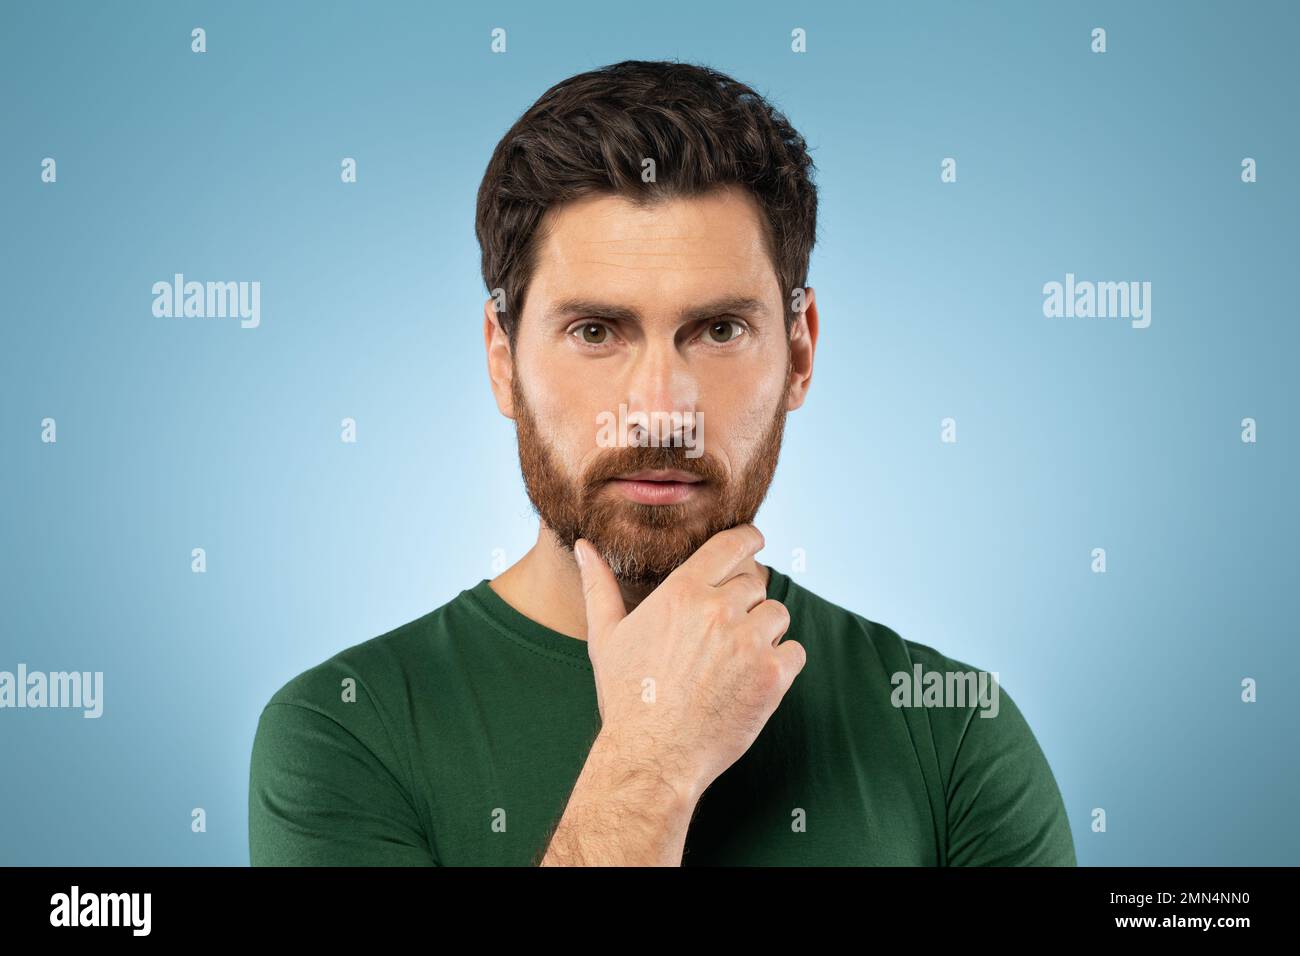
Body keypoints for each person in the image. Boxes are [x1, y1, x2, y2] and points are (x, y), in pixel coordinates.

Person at [248, 59, 1075, 866]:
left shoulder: (953, 730)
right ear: (502, 359)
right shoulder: (343, 731)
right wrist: (651, 763)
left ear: (800, 353)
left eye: (718, 331)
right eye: (597, 331)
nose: (658, 412)